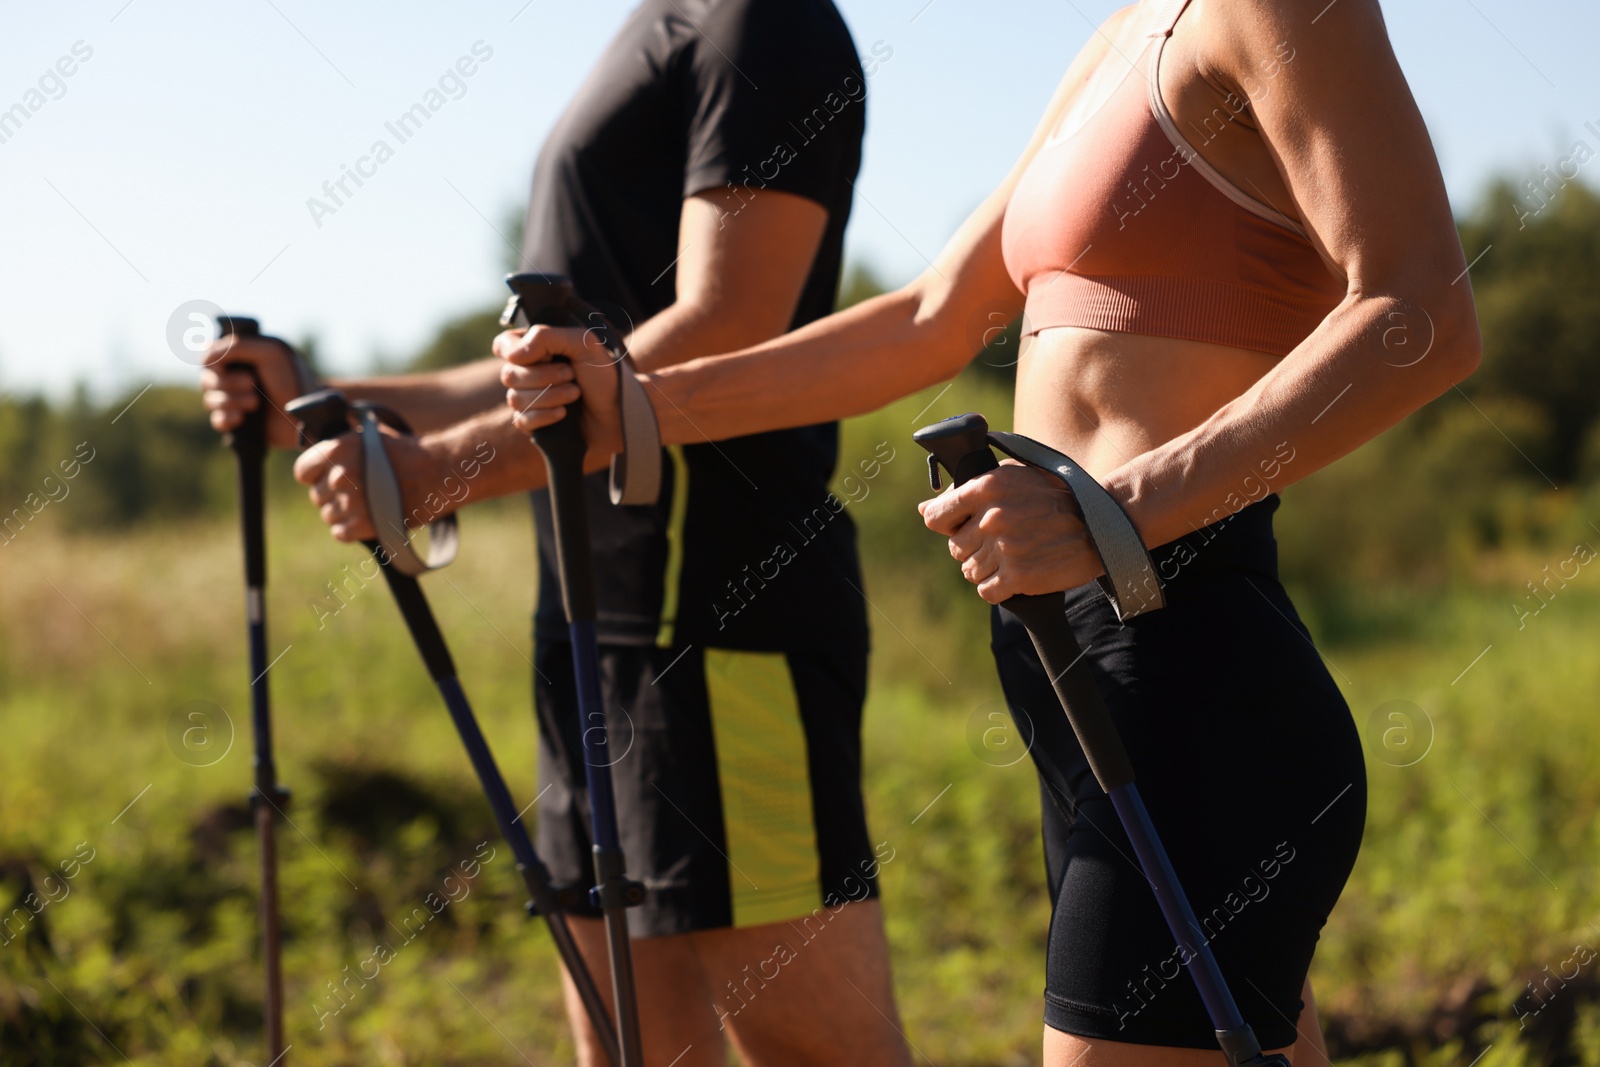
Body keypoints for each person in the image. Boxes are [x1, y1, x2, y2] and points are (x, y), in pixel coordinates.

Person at [498, 0, 1483, 1062]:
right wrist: (636, 398)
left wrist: (1112, 508)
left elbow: (1420, 310)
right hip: (1077, 676)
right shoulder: (1122, 35)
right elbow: (931, 316)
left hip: (1188, 671)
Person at [200, 2, 913, 1065]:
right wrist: (326, 396)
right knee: (630, 1050)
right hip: (588, 622)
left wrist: (441, 471)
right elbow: (540, 384)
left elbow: (726, 324)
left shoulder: (766, 22)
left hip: (723, 618)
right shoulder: (657, 28)